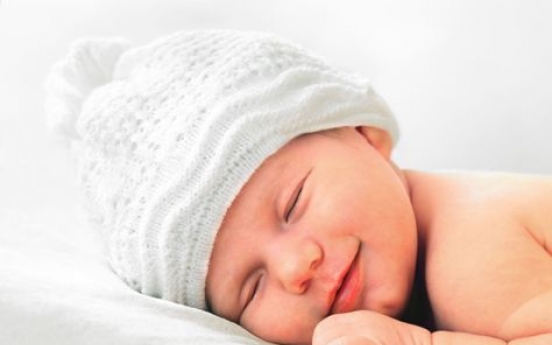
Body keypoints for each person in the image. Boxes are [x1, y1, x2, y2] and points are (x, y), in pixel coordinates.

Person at [45, 30, 552, 345]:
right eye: (251, 288)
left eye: (293, 204)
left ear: (365, 134)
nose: (293, 269)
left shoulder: (470, 254)